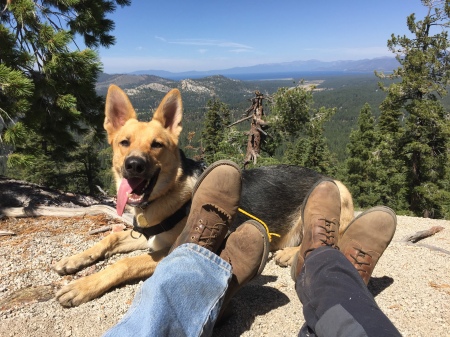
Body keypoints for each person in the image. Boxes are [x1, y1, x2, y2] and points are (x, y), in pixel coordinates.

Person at [104, 161, 401, 337]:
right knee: (353, 313)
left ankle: (198, 280)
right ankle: (332, 270)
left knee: (336, 188)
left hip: (295, 214)